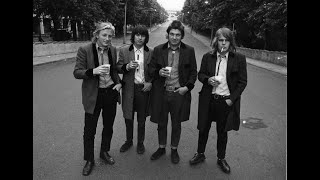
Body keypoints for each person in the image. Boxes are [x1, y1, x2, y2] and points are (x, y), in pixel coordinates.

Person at [189, 27, 247, 174]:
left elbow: (242, 82)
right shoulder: (208, 56)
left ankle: (221, 158)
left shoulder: (239, 58)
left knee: (222, 132)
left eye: (226, 40)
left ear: (230, 42)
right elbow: (200, 74)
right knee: (203, 129)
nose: (223, 43)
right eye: (221, 40)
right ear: (216, 41)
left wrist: (231, 100)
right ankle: (200, 154)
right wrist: (208, 80)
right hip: (208, 100)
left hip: (225, 102)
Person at [73, 21, 122, 176]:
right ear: (97, 35)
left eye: (110, 36)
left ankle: (104, 152)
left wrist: (119, 84)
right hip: (93, 95)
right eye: (104, 35)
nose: (107, 38)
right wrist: (93, 71)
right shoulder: (85, 49)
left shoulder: (113, 50)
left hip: (110, 92)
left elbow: (114, 70)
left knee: (108, 126)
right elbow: (77, 72)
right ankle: (89, 160)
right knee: (89, 130)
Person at [148, 20, 197, 164]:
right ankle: (161, 148)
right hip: (162, 93)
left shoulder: (189, 50)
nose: (174, 37)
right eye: (172, 34)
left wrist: (186, 88)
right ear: (167, 35)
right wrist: (159, 72)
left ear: (182, 36)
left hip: (178, 93)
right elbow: (150, 69)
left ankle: (174, 150)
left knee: (176, 124)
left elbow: (194, 72)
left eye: (178, 34)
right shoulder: (158, 50)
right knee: (161, 123)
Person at [116, 25, 153, 154]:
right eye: (137, 35)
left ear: (146, 37)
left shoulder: (150, 51)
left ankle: (140, 143)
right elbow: (118, 67)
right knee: (128, 117)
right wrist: (126, 66)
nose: (140, 38)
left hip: (143, 89)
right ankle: (129, 140)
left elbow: (154, 71)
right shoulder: (124, 50)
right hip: (128, 89)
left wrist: (150, 83)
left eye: (142, 35)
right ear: (133, 36)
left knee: (141, 119)